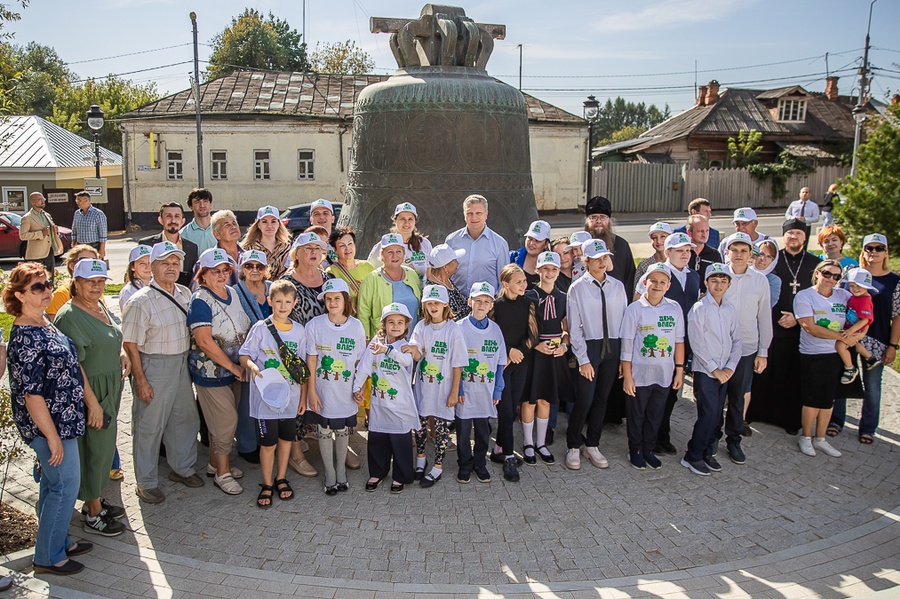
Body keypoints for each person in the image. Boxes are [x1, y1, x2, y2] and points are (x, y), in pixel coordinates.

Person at [5, 262, 95, 575]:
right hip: (49, 428)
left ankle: (56, 539)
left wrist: (90, 403)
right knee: (65, 487)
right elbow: (32, 396)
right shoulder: (25, 337)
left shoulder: (44, 322)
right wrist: (53, 437)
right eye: (37, 287)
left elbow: (69, 365)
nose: (46, 290)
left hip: (66, 421)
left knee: (51, 486)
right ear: (19, 295)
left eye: (47, 283)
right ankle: (48, 557)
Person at [54, 259, 130, 536]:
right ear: (76, 282)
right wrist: (93, 404)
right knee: (94, 449)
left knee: (104, 446)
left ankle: (95, 499)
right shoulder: (69, 316)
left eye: (100, 281)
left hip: (110, 384)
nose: (97, 286)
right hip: (91, 391)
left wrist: (119, 352)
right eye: (90, 281)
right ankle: (93, 512)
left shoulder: (99, 306)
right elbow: (74, 367)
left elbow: (108, 336)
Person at [122, 241, 202, 505]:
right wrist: (141, 380)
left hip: (180, 363)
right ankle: (145, 482)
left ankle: (183, 468)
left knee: (185, 419)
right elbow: (130, 344)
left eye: (174, 263)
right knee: (149, 425)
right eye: (164, 263)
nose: (171, 268)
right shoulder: (139, 301)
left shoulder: (184, 293)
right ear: (152, 266)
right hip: (154, 365)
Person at [187, 248, 252, 495]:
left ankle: (216, 464)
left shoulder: (232, 293)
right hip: (212, 373)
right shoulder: (200, 300)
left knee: (221, 422)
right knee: (226, 421)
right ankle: (222, 474)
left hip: (235, 371)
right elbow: (204, 341)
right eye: (215, 271)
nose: (222, 274)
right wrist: (233, 366)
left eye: (225, 269)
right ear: (203, 275)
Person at [747, 219, 821, 433]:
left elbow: (820, 298)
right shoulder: (772, 258)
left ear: (805, 237)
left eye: (798, 233)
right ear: (784, 236)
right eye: (790, 234)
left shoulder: (815, 264)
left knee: (791, 374)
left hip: (801, 329)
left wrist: (797, 318)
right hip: (771, 325)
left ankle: (788, 419)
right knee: (765, 372)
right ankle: (756, 412)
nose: (794, 237)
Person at [239, 280, 306, 508]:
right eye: (278, 301)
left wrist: (303, 397)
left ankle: (281, 478)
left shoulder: (299, 331)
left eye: (288, 302)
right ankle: (266, 483)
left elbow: (304, 367)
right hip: (265, 400)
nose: (283, 306)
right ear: (270, 301)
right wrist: (252, 366)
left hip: (290, 398)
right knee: (268, 444)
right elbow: (244, 354)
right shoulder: (260, 328)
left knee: (286, 440)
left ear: (295, 303)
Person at [830, 233, 900, 444]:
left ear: (886, 252)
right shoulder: (851, 273)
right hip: (846, 336)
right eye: (869, 248)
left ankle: (868, 427)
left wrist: (893, 346)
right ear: (863, 251)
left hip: (876, 340)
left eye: (879, 248)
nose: (874, 252)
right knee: (843, 378)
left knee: (872, 386)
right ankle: (836, 421)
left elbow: (897, 316)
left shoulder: (894, 281)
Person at [564, 239, 627, 470]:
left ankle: (593, 444)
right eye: (597, 258)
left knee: (602, 399)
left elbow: (624, 322)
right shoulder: (577, 288)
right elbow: (575, 326)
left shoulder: (617, 286)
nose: (602, 262)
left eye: (605, 257)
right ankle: (573, 445)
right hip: (590, 347)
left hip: (613, 347)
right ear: (586, 260)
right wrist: (583, 359)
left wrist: (623, 357)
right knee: (585, 399)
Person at [305, 278, 367, 494]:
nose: (332, 302)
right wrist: (311, 391)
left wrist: (360, 388)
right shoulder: (315, 325)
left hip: (345, 391)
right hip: (322, 390)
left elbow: (360, 362)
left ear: (345, 300)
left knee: (341, 430)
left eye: (336, 298)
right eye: (328, 299)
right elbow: (311, 360)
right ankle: (329, 473)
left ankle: (340, 471)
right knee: (323, 429)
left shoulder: (356, 326)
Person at [620, 262, 685, 471]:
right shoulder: (635, 309)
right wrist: (628, 376)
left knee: (656, 414)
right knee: (637, 414)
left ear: (668, 286)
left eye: (662, 282)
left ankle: (649, 448)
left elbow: (679, 342)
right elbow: (627, 344)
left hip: (664, 374)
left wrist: (680, 370)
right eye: (653, 281)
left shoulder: (674, 308)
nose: (657, 285)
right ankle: (635, 448)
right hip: (639, 373)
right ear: (645, 282)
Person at [681, 263, 741, 476]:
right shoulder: (699, 309)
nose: (719, 285)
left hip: (725, 372)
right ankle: (692, 455)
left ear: (729, 284)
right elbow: (697, 344)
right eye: (714, 280)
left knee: (717, 417)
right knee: (708, 414)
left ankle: (707, 452)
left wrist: (730, 367)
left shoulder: (730, 309)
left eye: (723, 281)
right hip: (707, 372)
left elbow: (737, 341)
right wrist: (715, 369)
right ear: (706, 283)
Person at [717, 233, 772, 465]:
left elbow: (764, 317)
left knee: (738, 397)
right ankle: (711, 438)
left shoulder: (760, 281)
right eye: (734, 249)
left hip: (747, 348)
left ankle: (733, 440)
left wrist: (763, 351)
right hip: (719, 348)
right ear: (727, 252)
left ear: (751, 254)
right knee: (716, 397)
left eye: (744, 250)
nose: (738, 254)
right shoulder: (717, 276)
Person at [280, 231, 332, 476]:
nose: (313, 253)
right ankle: (295, 455)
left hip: (325, 352)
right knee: (296, 405)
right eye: (307, 248)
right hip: (296, 351)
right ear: (296, 253)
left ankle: (332, 447)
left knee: (323, 399)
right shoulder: (287, 282)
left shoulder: (328, 277)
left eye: (317, 248)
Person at [354, 303, 419, 494]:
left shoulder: (405, 346)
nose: (396, 326)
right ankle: (378, 472)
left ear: (407, 325)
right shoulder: (376, 342)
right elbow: (365, 366)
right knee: (377, 439)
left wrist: (387, 351)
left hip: (399, 405)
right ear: (384, 324)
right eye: (391, 322)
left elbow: (406, 361)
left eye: (400, 322)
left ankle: (400, 476)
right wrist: (356, 388)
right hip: (379, 404)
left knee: (400, 442)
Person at [794, 260, 854, 458]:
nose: (831, 279)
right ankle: (806, 437)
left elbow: (863, 311)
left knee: (829, 400)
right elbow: (810, 327)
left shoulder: (844, 295)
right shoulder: (805, 296)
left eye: (837, 277)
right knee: (812, 400)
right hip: (813, 354)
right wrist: (842, 337)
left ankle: (820, 439)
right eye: (827, 274)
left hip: (836, 355)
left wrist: (855, 335)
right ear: (818, 273)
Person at [409, 285, 466, 487]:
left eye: (436, 303)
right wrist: (411, 350)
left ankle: (438, 466)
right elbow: (415, 352)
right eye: (429, 303)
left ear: (445, 304)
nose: (433, 306)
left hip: (444, 388)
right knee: (421, 425)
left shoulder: (453, 329)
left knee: (441, 428)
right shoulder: (420, 327)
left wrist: (454, 391)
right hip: (424, 386)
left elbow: (458, 363)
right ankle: (421, 459)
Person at [488, 264, 537, 482]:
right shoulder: (496, 306)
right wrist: (507, 352)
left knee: (512, 408)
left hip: (520, 363)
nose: (523, 285)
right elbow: (491, 333)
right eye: (519, 282)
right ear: (505, 284)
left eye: (524, 281)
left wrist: (519, 352)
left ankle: (498, 449)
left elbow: (533, 334)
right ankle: (508, 456)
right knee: (505, 411)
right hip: (502, 364)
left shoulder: (529, 304)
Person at [456, 282, 507, 484]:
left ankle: (480, 463)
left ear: (491, 305)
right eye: (478, 300)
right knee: (463, 431)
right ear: (470, 302)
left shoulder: (495, 330)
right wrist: (457, 387)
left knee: (483, 430)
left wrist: (498, 390)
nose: (482, 305)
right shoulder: (459, 328)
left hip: (485, 391)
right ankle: (465, 464)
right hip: (465, 390)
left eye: (486, 301)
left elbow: (501, 362)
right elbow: (455, 363)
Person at [655, 232, 701, 456]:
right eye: (679, 251)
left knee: (674, 391)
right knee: (658, 391)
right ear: (667, 252)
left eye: (688, 251)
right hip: (660, 342)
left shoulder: (693, 276)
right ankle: (653, 435)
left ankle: (663, 433)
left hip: (683, 343)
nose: (685, 255)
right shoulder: (658, 275)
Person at [522, 252, 569, 466]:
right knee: (529, 399)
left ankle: (541, 443)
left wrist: (564, 345)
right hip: (534, 353)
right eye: (545, 269)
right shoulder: (530, 296)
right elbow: (522, 328)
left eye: (554, 269)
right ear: (538, 270)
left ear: (559, 272)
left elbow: (566, 328)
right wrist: (535, 345)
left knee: (545, 399)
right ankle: (528, 443)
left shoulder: (563, 297)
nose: (549, 273)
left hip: (552, 353)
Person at [358, 233, 422, 339]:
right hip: (383, 343)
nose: (395, 256)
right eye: (390, 252)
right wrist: (366, 339)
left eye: (398, 252)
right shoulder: (371, 279)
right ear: (382, 255)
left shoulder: (412, 274)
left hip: (413, 342)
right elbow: (363, 313)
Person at [444, 194, 510, 292]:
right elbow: (444, 274)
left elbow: (504, 281)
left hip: (486, 304)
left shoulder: (499, 244)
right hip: (456, 302)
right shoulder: (451, 240)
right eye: (469, 213)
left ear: (486, 214)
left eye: (478, 213)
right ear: (464, 214)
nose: (474, 217)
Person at [367, 202, 433, 283]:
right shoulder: (383, 245)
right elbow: (370, 272)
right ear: (395, 221)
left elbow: (429, 274)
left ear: (415, 221)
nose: (406, 223)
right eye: (402, 219)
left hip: (420, 293)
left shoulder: (424, 243)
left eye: (410, 219)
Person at [584, 196, 636, 295]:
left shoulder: (621, 245)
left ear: (609, 220)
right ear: (587, 220)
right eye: (593, 217)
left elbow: (630, 280)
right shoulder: (579, 245)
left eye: (603, 217)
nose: (598, 221)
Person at [140, 202, 200, 288]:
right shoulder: (147, 244)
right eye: (168, 216)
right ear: (160, 220)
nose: (173, 221)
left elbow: (194, 278)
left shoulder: (192, 248)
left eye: (177, 216)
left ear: (183, 221)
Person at [836, 267, 880, 383]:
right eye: (851, 286)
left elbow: (865, 320)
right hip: (852, 327)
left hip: (855, 329)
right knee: (854, 344)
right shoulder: (856, 297)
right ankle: (870, 358)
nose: (855, 289)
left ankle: (850, 368)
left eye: (858, 286)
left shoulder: (864, 300)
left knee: (840, 345)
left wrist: (850, 331)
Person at [46, 245, 101, 321]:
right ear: (72, 265)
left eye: (93, 261)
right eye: (84, 261)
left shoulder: (96, 291)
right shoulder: (61, 294)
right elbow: (54, 324)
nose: (90, 265)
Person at [326, 226, 375, 308]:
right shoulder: (331, 272)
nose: (347, 248)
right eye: (342, 246)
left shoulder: (367, 266)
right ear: (335, 249)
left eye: (350, 244)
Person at [241, 205, 292, 280]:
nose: (269, 226)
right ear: (259, 225)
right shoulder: (248, 248)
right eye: (264, 222)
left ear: (278, 224)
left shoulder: (288, 249)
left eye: (273, 221)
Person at [19, 192, 64, 276]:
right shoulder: (27, 217)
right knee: (36, 279)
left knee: (50, 278)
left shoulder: (47, 215)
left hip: (49, 251)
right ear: (32, 202)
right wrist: (40, 234)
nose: (43, 201)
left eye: (43, 199)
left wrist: (55, 230)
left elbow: (50, 231)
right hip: (36, 254)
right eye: (39, 200)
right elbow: (23, 235)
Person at [425, 244, 470, 320]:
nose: (458, 263)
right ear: (445, 267)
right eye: (455, 260)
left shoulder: (447, 280)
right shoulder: (434, 289)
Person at [509, 219, 552, 288]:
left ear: (546, 244)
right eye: (530, 238)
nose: (531, 243)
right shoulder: (512, 257)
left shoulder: (552, 263)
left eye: (537, 241)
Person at [634, 222, 672, 298]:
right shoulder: (644, 265)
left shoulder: (676, 262)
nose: (658, 241)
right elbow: (636, 291)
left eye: (663, 237)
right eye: (654, 237)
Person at [686, 215, 722, 292]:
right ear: (689, 232)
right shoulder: (682, 253)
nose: (704, 235)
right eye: (700, 231)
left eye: (707, 231)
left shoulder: (714, 254)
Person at [235, 250, 271, 323]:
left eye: (260, 267)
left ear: (266, 269)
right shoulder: (234, 292)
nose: (254, 270)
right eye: (249, 266)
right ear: (242, 268)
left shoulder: (273, 287)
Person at [209, 210, 242, 287]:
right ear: (217, 234)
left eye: (234, 223)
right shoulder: (210, 260)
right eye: (227, 225)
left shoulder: (247, 256)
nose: (233, 227)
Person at [71, 191, 107, 259]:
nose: (77, 202)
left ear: (86, 200)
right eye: (76, 200)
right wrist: (73, 245)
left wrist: (102, 250)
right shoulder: (77, 213)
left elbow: (103, 235)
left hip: (94, 246)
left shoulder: (98, 214)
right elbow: (74, 231)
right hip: (80, 246)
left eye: (79, 200)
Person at [181, 188, 216, 255]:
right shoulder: (183, 234)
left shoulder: (221, 229)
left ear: (210, 204)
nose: (202, 205)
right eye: (197, 202)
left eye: (205, 201)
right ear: (191, 206)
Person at [751, 239, 782, 309]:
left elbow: (767, 304)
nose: (763, 259)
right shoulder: (743, 272)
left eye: (769, 257)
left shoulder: (773, 280)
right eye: (761, 254)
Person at [119, 245, 153, 310]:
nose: (148, 267)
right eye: (142, 263)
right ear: (132, 267)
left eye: (150, 262)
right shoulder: (128, 291)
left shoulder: (160, 285)